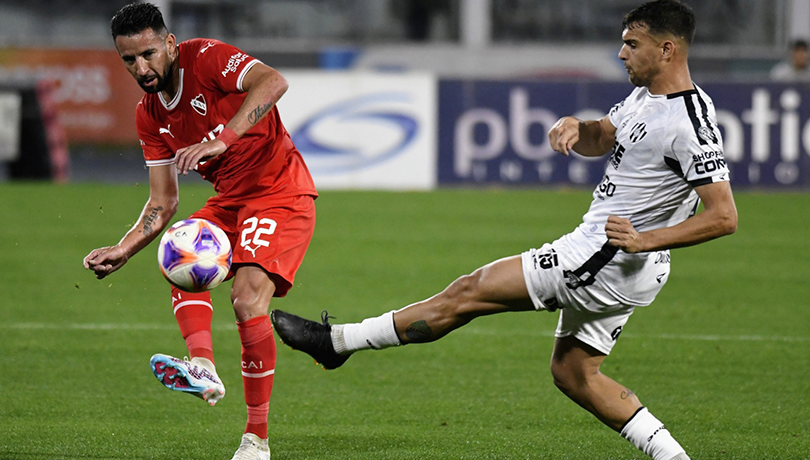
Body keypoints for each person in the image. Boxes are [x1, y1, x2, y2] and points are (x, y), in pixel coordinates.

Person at [271, 1, 737, 459]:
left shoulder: (688, 123)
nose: (622, 55)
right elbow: (604, 136)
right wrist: (577, 125)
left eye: (632, 45)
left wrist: (644, 239)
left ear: (668, 49)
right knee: (574, 373)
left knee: (470, 292)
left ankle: (338, 343)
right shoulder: (645, 95)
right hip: (620, 260)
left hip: (606, 257)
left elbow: (723, 216)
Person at [83, 3, 317, 459]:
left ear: (169, 43)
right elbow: (163, 202)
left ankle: (256, 441)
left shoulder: (205, 57)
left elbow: (274, 82)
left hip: (280, 191)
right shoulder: (149, 115)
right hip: (231, 201)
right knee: (177, 254)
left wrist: (222, 139)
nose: (142, 68)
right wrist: (124, 248)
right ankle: (204, 366)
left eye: (149, 53)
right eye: (129, 60)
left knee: (247, 300)